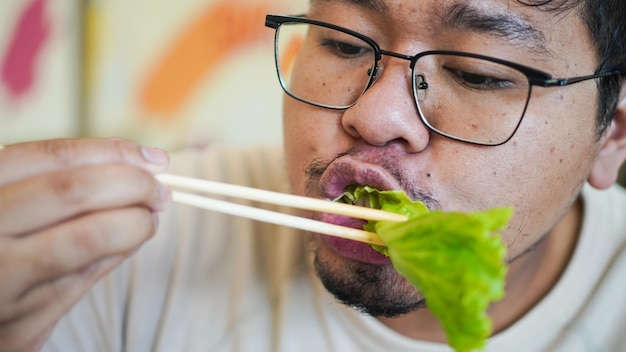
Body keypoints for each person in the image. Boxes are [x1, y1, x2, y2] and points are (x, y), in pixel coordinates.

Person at [1, 0, 625, 351]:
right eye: (345, 43)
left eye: (476, 73)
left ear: (613, 133)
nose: (373, 116)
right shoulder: (133, 243)